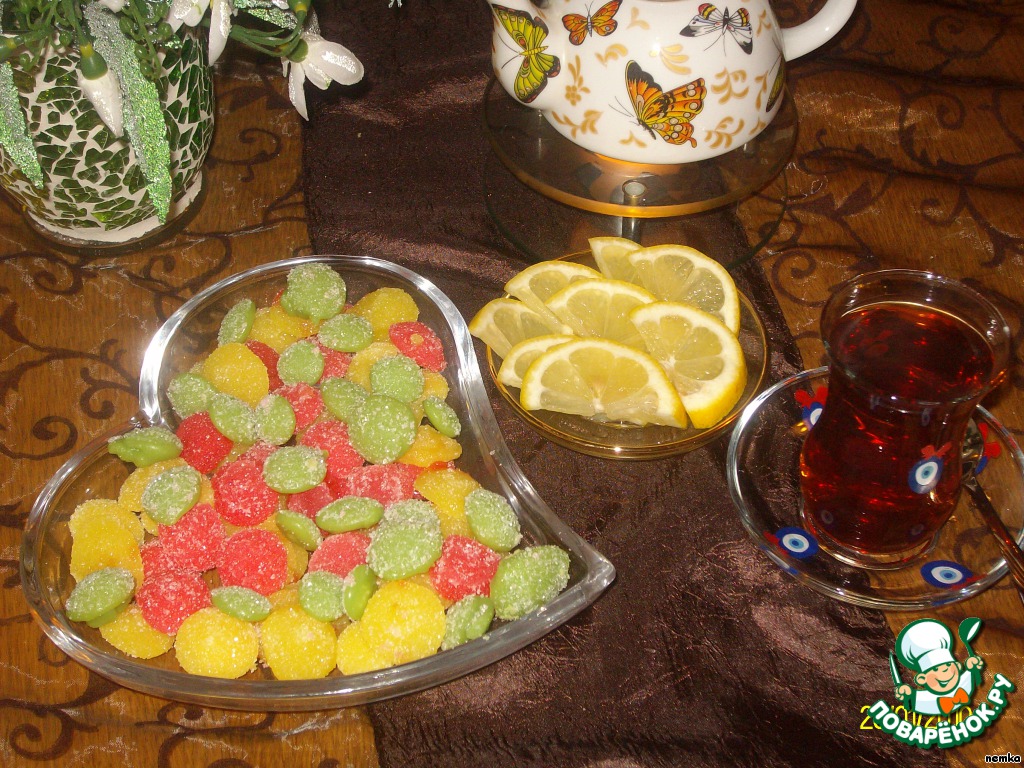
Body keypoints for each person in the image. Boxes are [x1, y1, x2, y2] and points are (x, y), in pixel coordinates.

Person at [894, 618, 984, 717]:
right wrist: (906, 694)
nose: (945, 672)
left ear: (958, 667)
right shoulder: (925, 700)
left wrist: (973, 667)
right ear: (922, 679)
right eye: (936, 669)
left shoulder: (964, 683)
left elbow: (973, 676)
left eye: (948, 665)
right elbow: (911, 700)